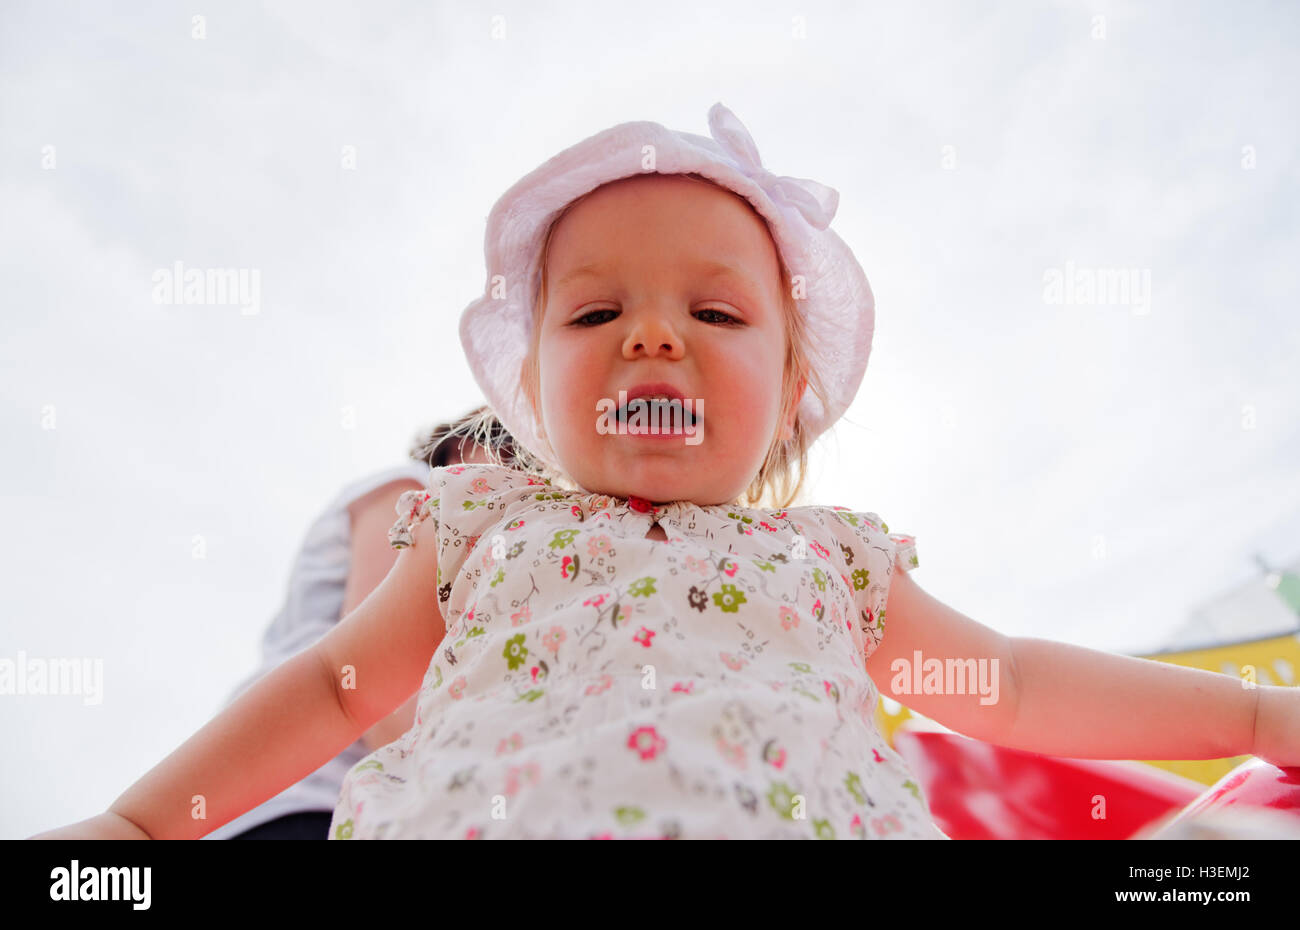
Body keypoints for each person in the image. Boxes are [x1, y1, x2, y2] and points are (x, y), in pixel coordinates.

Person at [31, 102, 1300, 841]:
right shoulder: (478, 529)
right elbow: (328, 686)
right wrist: (144, 829)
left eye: (717, 313)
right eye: (592, 318)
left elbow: (1010, 686)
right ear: (526, 392)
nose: (650, 334)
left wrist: (1242, 718)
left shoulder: (827, 563)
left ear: (792, 391)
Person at [200, 407, 518, 839]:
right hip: (308, 800)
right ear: (462, 445)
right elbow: (379, 694)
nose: (520, 485)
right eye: (512, 456)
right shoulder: (411, 490)